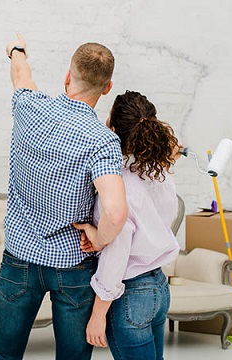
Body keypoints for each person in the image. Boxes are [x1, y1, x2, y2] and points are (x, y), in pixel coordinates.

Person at [0, 33, 128, 360]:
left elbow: (21, 74)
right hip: (73, 265)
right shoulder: (103, 142)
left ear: (68, 77)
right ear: (107, 88)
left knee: (3, 356)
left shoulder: (29, 107)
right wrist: (99, 240)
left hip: (19, 259)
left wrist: (17, 50)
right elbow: (116, 213)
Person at [74, 90, 182, 360]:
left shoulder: (116, 189)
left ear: (112, 130)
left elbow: (116, 256)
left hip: (131, 295)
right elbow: (158, 223)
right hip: (159, 286)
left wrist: (98, 315)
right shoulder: (160, 174)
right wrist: (98, 236)